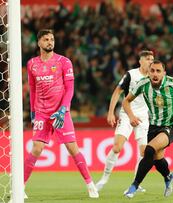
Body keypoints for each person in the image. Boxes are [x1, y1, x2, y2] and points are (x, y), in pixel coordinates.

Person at [24, 29, 98, 198]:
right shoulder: (32, 64)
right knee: (36, 148)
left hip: (60, 112)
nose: (50, 42)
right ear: (39, 43)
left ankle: (90, 184)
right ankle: (20, 186)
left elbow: (70, 88)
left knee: (72, 148)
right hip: (42, 113)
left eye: (52, 39)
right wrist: (33, 113)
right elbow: (33, 90)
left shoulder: (64, 62)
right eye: (46, 39)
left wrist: (63, 109)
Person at [122, 60, 173, 198]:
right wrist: (131, 116)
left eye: (158, 71)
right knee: (156, 158)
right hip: (154, 126)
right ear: (148, 72)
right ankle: (168, 176)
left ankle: (134, 186)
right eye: (152, 71)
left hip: (172, 125)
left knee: (148, 150)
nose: (155, 74)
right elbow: (126, 101)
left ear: (164, 73)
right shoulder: (143, 84)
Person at [96, 51, 154, 191]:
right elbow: (117, 92)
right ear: (140, 61)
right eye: (148, 59)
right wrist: (110, 112)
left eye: (152, 59)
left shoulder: (154, 77)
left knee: (144, 152)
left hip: (143, 117)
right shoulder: (131, 74)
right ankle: (104, 179)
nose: (151, 61)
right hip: (127, 114)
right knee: (117, 147)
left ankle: (136, 183)